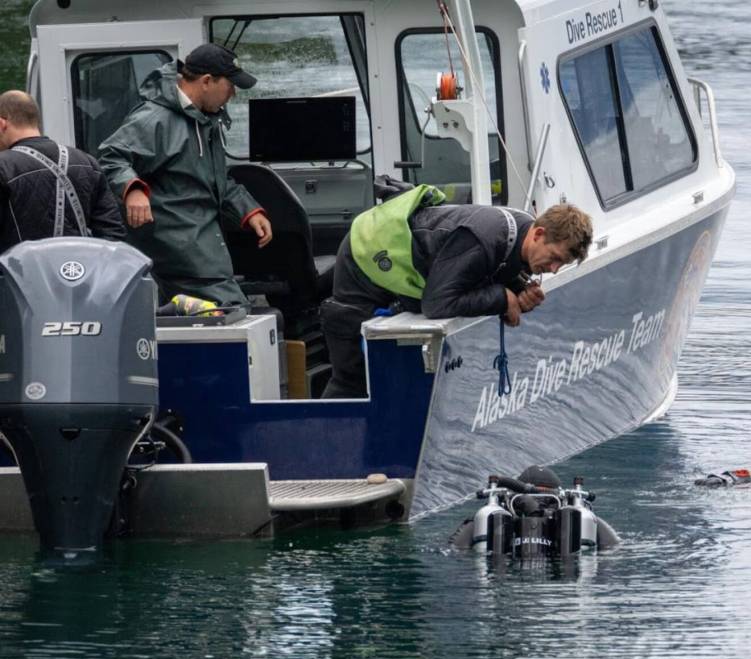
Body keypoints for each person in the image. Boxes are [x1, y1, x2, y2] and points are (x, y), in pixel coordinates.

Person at [321, 181, 593, 398]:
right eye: (555, 257)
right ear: (538, 234)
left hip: (402, 263)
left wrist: (518, 289)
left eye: (562, 263)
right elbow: (436, 304)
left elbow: (486, 275)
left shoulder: (521, 233)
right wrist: (502, 298)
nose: (555, 268)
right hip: (363, 256)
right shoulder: (482, 239)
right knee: (351, 378)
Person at [98, 43, 272, 307]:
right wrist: (132, 189)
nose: (233, 94)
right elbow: (112, 156)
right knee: (234, 313)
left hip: (201, 248)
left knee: (223, 319)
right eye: (230, 85)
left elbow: (216, 180)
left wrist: (249, 211)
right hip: (181, 253)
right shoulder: (155, 119)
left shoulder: (206, 120)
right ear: (206, 82)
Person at [0, 90, 125, 253]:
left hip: (22, 276)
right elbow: (112, 234)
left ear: (2, 123)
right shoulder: (87, 162)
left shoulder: (3, 166)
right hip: (82, 273)